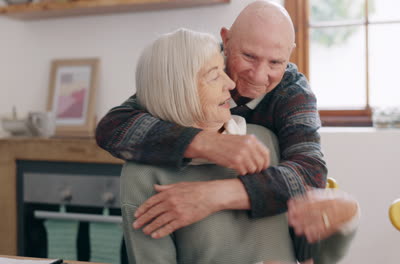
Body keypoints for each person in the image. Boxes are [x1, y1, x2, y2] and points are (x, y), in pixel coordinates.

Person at [97, 1, 358, 263]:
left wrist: (213, 195)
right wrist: (203, 143)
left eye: (276, 62)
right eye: (248, 57)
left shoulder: (281, 113)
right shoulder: (196, 64)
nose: (258, 76)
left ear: (289, 55)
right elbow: (113, 126)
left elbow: (308, 177)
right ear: (226, 40)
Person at [121, 28, 298, 264]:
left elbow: (312, 248)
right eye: (215, 76)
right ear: (180, 90)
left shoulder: (265, 139)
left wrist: (340, 223)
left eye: (223, 71)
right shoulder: (142, 175)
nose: (231, 83)